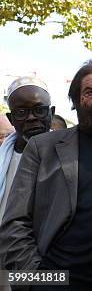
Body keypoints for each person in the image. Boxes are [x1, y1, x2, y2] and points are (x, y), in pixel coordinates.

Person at [0, 60, 92, 290]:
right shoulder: (42, 147)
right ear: (75, 102)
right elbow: (15, 222)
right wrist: (36, 282)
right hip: (56, 282)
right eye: (91, 91)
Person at [0, 77, 54, 221]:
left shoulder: (69, 158)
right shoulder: (3, 158)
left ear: (52, 113)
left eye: (39, 110)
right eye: (21, 112)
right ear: (11, 119)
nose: (31, 118)